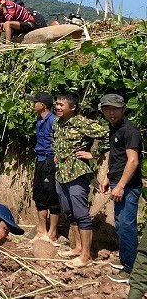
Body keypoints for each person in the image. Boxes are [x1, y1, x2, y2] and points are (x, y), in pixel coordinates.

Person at [52, 91, 109, 268]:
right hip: (61, 173)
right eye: (57, 104)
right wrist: (57, 154)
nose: (58, 107)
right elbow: (57, 142)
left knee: (81, 214)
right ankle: (77, 248)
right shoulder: (57, 123)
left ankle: (86, 256)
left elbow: (108, 134)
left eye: (62, 105)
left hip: (77, 174)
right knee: (70, 212)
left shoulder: (82, 123)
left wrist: (93, 154)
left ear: (73, 107)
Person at [98, 94, 142, 283]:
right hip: (118, 182)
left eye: (115, 108)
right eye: (107, 109)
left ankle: (131, 270)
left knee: (126, 226)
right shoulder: (114, 128)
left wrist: (121, 185)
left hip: (128, 186)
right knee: (121, 223)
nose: (111, 112)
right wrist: (108, 176)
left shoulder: (129, 130)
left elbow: (133, 160)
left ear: (124, 109)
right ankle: (126, 259)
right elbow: (118, 157)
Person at [25, 92, 60, 243]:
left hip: (49, 160)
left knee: (51, 195)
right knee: (39, 194)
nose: (33, 104)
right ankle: (41, 230)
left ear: (42, 105)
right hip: (40, 159)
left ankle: (52, 233)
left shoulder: (54, 121)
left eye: (35, 102)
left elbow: (60, 141)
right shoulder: (39, 120)